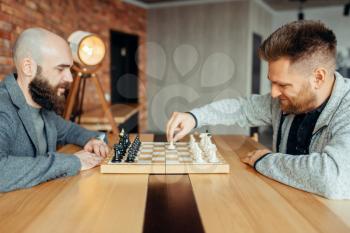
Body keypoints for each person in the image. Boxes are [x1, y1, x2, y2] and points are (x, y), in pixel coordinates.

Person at [166, 20, 350, 200]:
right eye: (272, 81)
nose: (273, 92)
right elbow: (242, 108)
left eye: (283, 85)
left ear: (318, 77)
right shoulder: (282, 101)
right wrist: (194, 117)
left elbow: (332, 178)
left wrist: (265, 160)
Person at [0, 28, 110, 192]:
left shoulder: (42, 105)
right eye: (60, 69)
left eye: (70, 69)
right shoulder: (3, 107)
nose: (70, 78)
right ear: (28, 67)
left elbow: (70, 130)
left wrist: (92, 140)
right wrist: (73, 161)